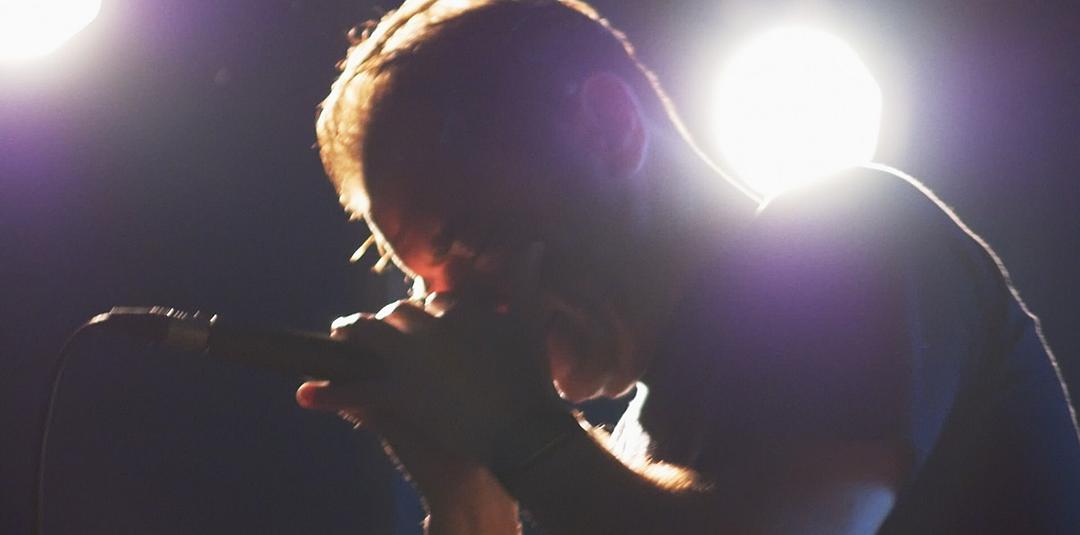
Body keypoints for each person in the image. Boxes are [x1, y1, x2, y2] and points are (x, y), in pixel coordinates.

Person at [296, 0, 1080, 533]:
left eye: (470, 240)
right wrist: (470, 499)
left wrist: (512, 429)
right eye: (426, 281)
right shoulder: (624, 459)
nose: (457, 310)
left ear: (606, 128)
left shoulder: (847, 231)